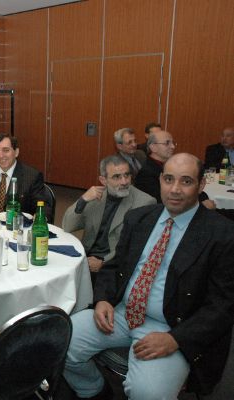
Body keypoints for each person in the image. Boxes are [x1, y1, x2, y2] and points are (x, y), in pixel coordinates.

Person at [63, 153, 234, 400]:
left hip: (172, 326)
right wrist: (103, 299)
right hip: (120, 313)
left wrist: (176, 339)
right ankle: (94, 390)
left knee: (148, 393)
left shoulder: (222, 234)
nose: (175, 189)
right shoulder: (140, 218)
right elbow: (114, 266)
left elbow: (223, 305)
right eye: (169, 179)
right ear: (160, 180)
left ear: (201, 185)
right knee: (59, 341)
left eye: (186, 181)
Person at [62, 155, 155, 281]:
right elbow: (67, 226)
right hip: (86, 256)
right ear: (103, 180)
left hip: (114, 264)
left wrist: (103, 263)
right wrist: (82, 200)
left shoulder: (144, 202)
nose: (124, 182)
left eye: (127, 175)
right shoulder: (96, 196)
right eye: (117, 177)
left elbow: (134, 246)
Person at [134, 130, 176, 203]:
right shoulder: (146, 173)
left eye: (173, 143)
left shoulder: (169, 165)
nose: (173, 146)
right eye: (167, 143)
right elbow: (158, 201)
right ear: (153, 147)